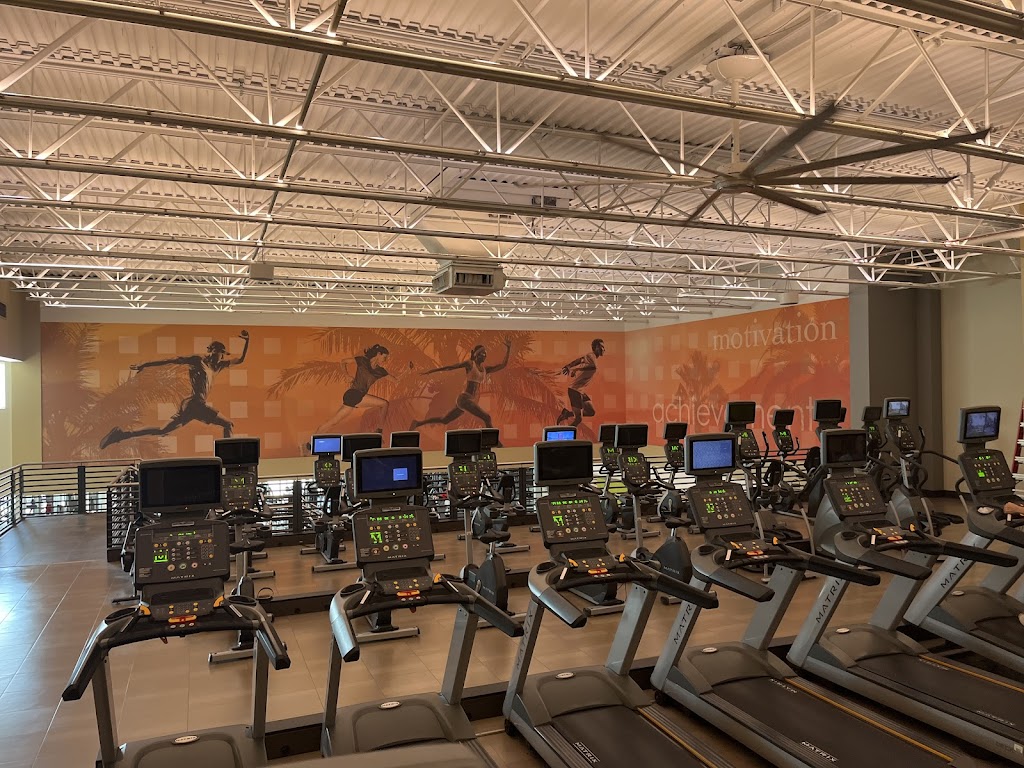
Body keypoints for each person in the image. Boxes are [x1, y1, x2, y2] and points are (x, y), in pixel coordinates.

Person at [100, 331, 249, 448]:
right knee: (228, 424)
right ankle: (229, 459)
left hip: (191, 406)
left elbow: (240, 360)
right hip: (195, 404)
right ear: (213, 351)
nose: (222, 357)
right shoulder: (197, 360)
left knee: (162, 430)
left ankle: (121, 435)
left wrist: (247, 341)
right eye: (220, 353)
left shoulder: (218, 367)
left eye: (223, 355)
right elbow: (171, 360)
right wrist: (145, 364)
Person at [411, 339, 511, 434]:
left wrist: (508, 349)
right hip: (465, 399)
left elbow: (503, 365)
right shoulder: (470, 364)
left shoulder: (485, 370)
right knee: (487, 418)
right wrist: (431, 371)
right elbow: (450, 367)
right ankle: (494, 441)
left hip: (469, 400)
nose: (485, 355)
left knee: (445, 420)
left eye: (485, 354)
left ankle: (417, 423)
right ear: (477, 354)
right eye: (482, 353)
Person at [317, 344, 411, 433]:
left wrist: (407, 370)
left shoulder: (380, 371)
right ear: (379, 354)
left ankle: (312, 440)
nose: (385, 360)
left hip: (357, 396)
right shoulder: (362, 360)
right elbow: (343, 361)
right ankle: (379, 429)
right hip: (353, 393)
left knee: (333, 422)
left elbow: (396, 380)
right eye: (384, 357)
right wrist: (346, 375)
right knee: (384, 404)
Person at [556, 338, 604, 427]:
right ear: (596, 347)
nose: (603, 349)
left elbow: (579, 360)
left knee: (591, 412)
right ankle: (569, 434)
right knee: (578, 419)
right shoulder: (591, 356)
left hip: (580, 391)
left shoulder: (591, 357)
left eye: (604, 347)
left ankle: (567, 414)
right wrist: (574, 368)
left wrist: (570, 366)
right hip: (574, 390)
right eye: (601, 347)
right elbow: (592, 366)